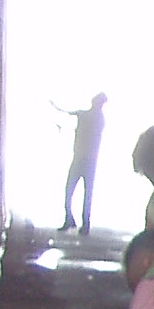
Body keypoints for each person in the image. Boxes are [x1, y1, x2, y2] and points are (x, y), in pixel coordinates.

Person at [58, 93, 108, 233]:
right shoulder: (99, 119)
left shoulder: (89, 116)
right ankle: (83, 224)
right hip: (90, 161)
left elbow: (68, 112)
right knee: (87, 193)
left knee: (70, 190)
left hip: (82, 159)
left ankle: (71, 220)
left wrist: (54, 106)